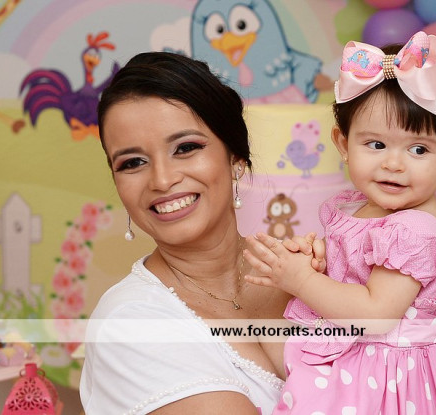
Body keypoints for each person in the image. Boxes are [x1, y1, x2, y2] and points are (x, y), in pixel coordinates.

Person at [243, 32, 436, 414]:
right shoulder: (359, 206)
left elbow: (375, 314)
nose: (393, 164)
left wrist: (302, 280)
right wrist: (320, 262)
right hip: (361, 352)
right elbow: (355, 271)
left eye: (418, 149)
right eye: (376, 145)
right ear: (344, 144)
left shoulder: (413, 231)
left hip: (390, 377)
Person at [79, 52, 291, 414]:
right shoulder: (129, 325)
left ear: (235, 157)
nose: (162, 180)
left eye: (186, 148)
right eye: (133, 163)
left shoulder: (309, 275)